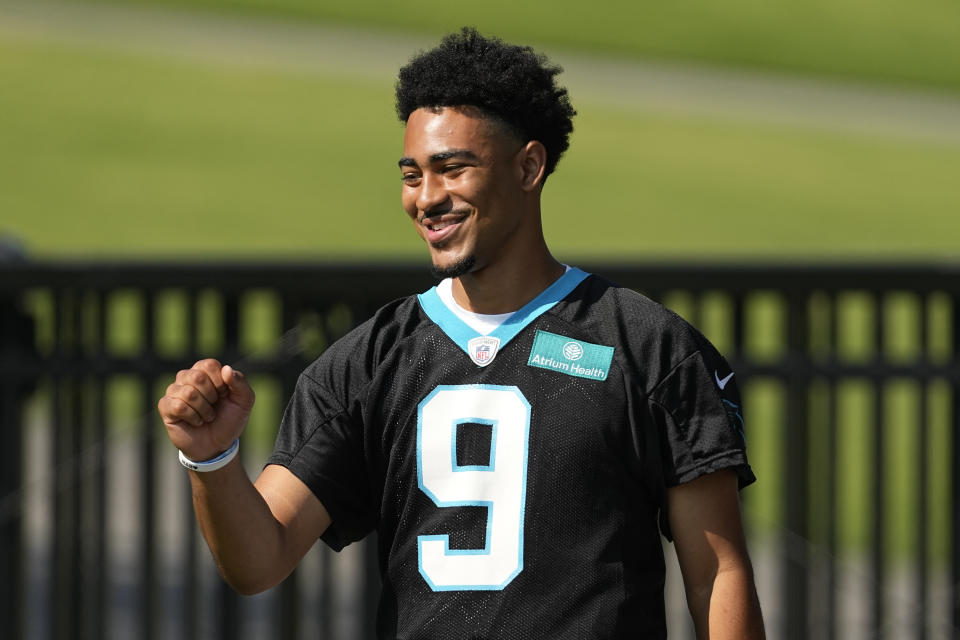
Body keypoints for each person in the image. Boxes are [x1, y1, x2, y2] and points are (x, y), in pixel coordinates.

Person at [158, 27, 765, 639]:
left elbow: (716, 574)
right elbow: (259, 560)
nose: (428, 198)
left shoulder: (647, 346)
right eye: (412, 174)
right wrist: (212, 459)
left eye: (452, 169)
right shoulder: (369, 361)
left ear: (529, 166)